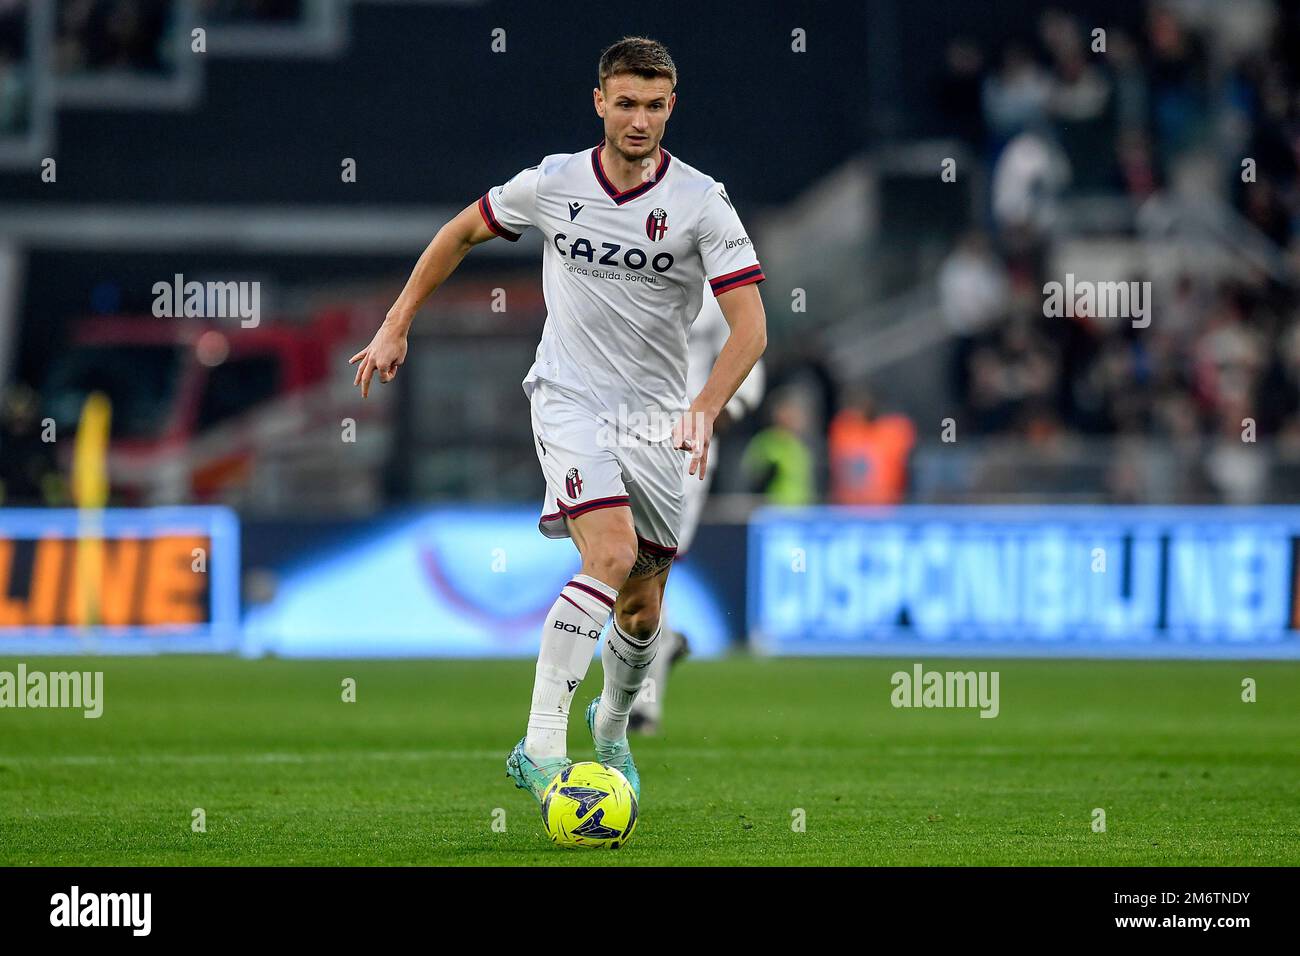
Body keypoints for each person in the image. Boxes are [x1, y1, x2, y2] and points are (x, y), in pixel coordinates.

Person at [349, 37, 767, 807]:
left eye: (653, 105)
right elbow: (459, 233)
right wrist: (396, 322)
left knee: (642, 607)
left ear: (670, 107)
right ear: (599, 101)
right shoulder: (553, 182)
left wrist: (703, 409)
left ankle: (611, 731)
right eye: (625, 102)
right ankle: (541, 746)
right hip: (568, 397)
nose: (638, 119)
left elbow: (751, 330)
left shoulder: (703, 202)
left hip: (657, 421)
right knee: (607, 554)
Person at [627, 293, 765, 735]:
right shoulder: (623, 264)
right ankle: (660, 646)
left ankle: (644, 701)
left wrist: (721, 412)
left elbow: (748, 349)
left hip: (686, 444)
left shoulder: (718, 282)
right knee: (619, 565)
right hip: (618, 436)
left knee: (649, 562)